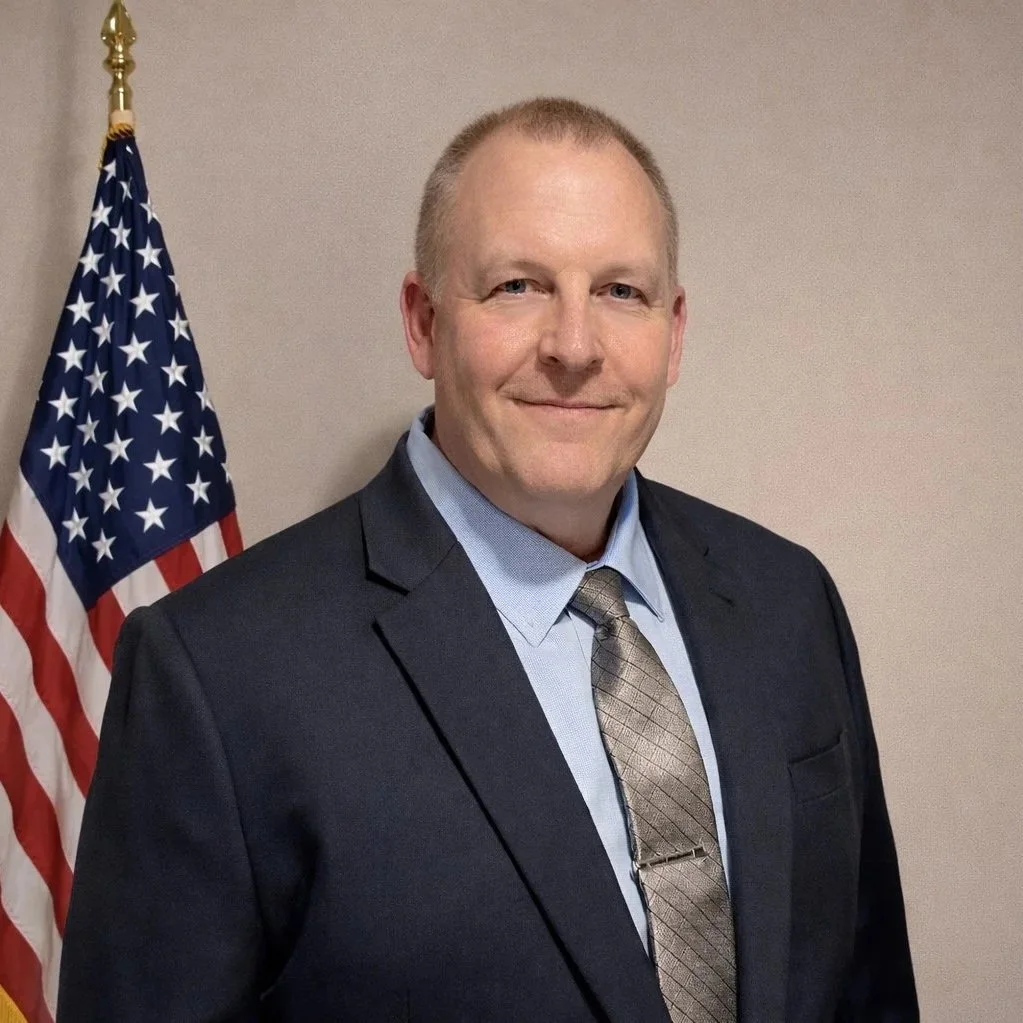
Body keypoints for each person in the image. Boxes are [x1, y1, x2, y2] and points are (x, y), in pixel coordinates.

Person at [58, 97, 918, 1022]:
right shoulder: (217, 675)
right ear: (423, 321)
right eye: (517, 286)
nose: (574, 347)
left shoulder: (788, 600)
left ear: (672, 333)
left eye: (619, 292)